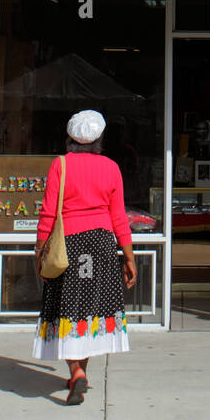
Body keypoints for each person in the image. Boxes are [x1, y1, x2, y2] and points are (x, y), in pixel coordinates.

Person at [33, 109, 137, 404]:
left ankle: (76, 372)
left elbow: (48, 213)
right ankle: (79, 372)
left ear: (70, 139)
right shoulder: (111, 167)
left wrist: (39, 250)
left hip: (70, 246)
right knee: (90, 310)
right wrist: (129, 257)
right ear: (99, 140)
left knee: (67, 309)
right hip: (101, 246)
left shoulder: (60, 166)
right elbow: (119, 217)